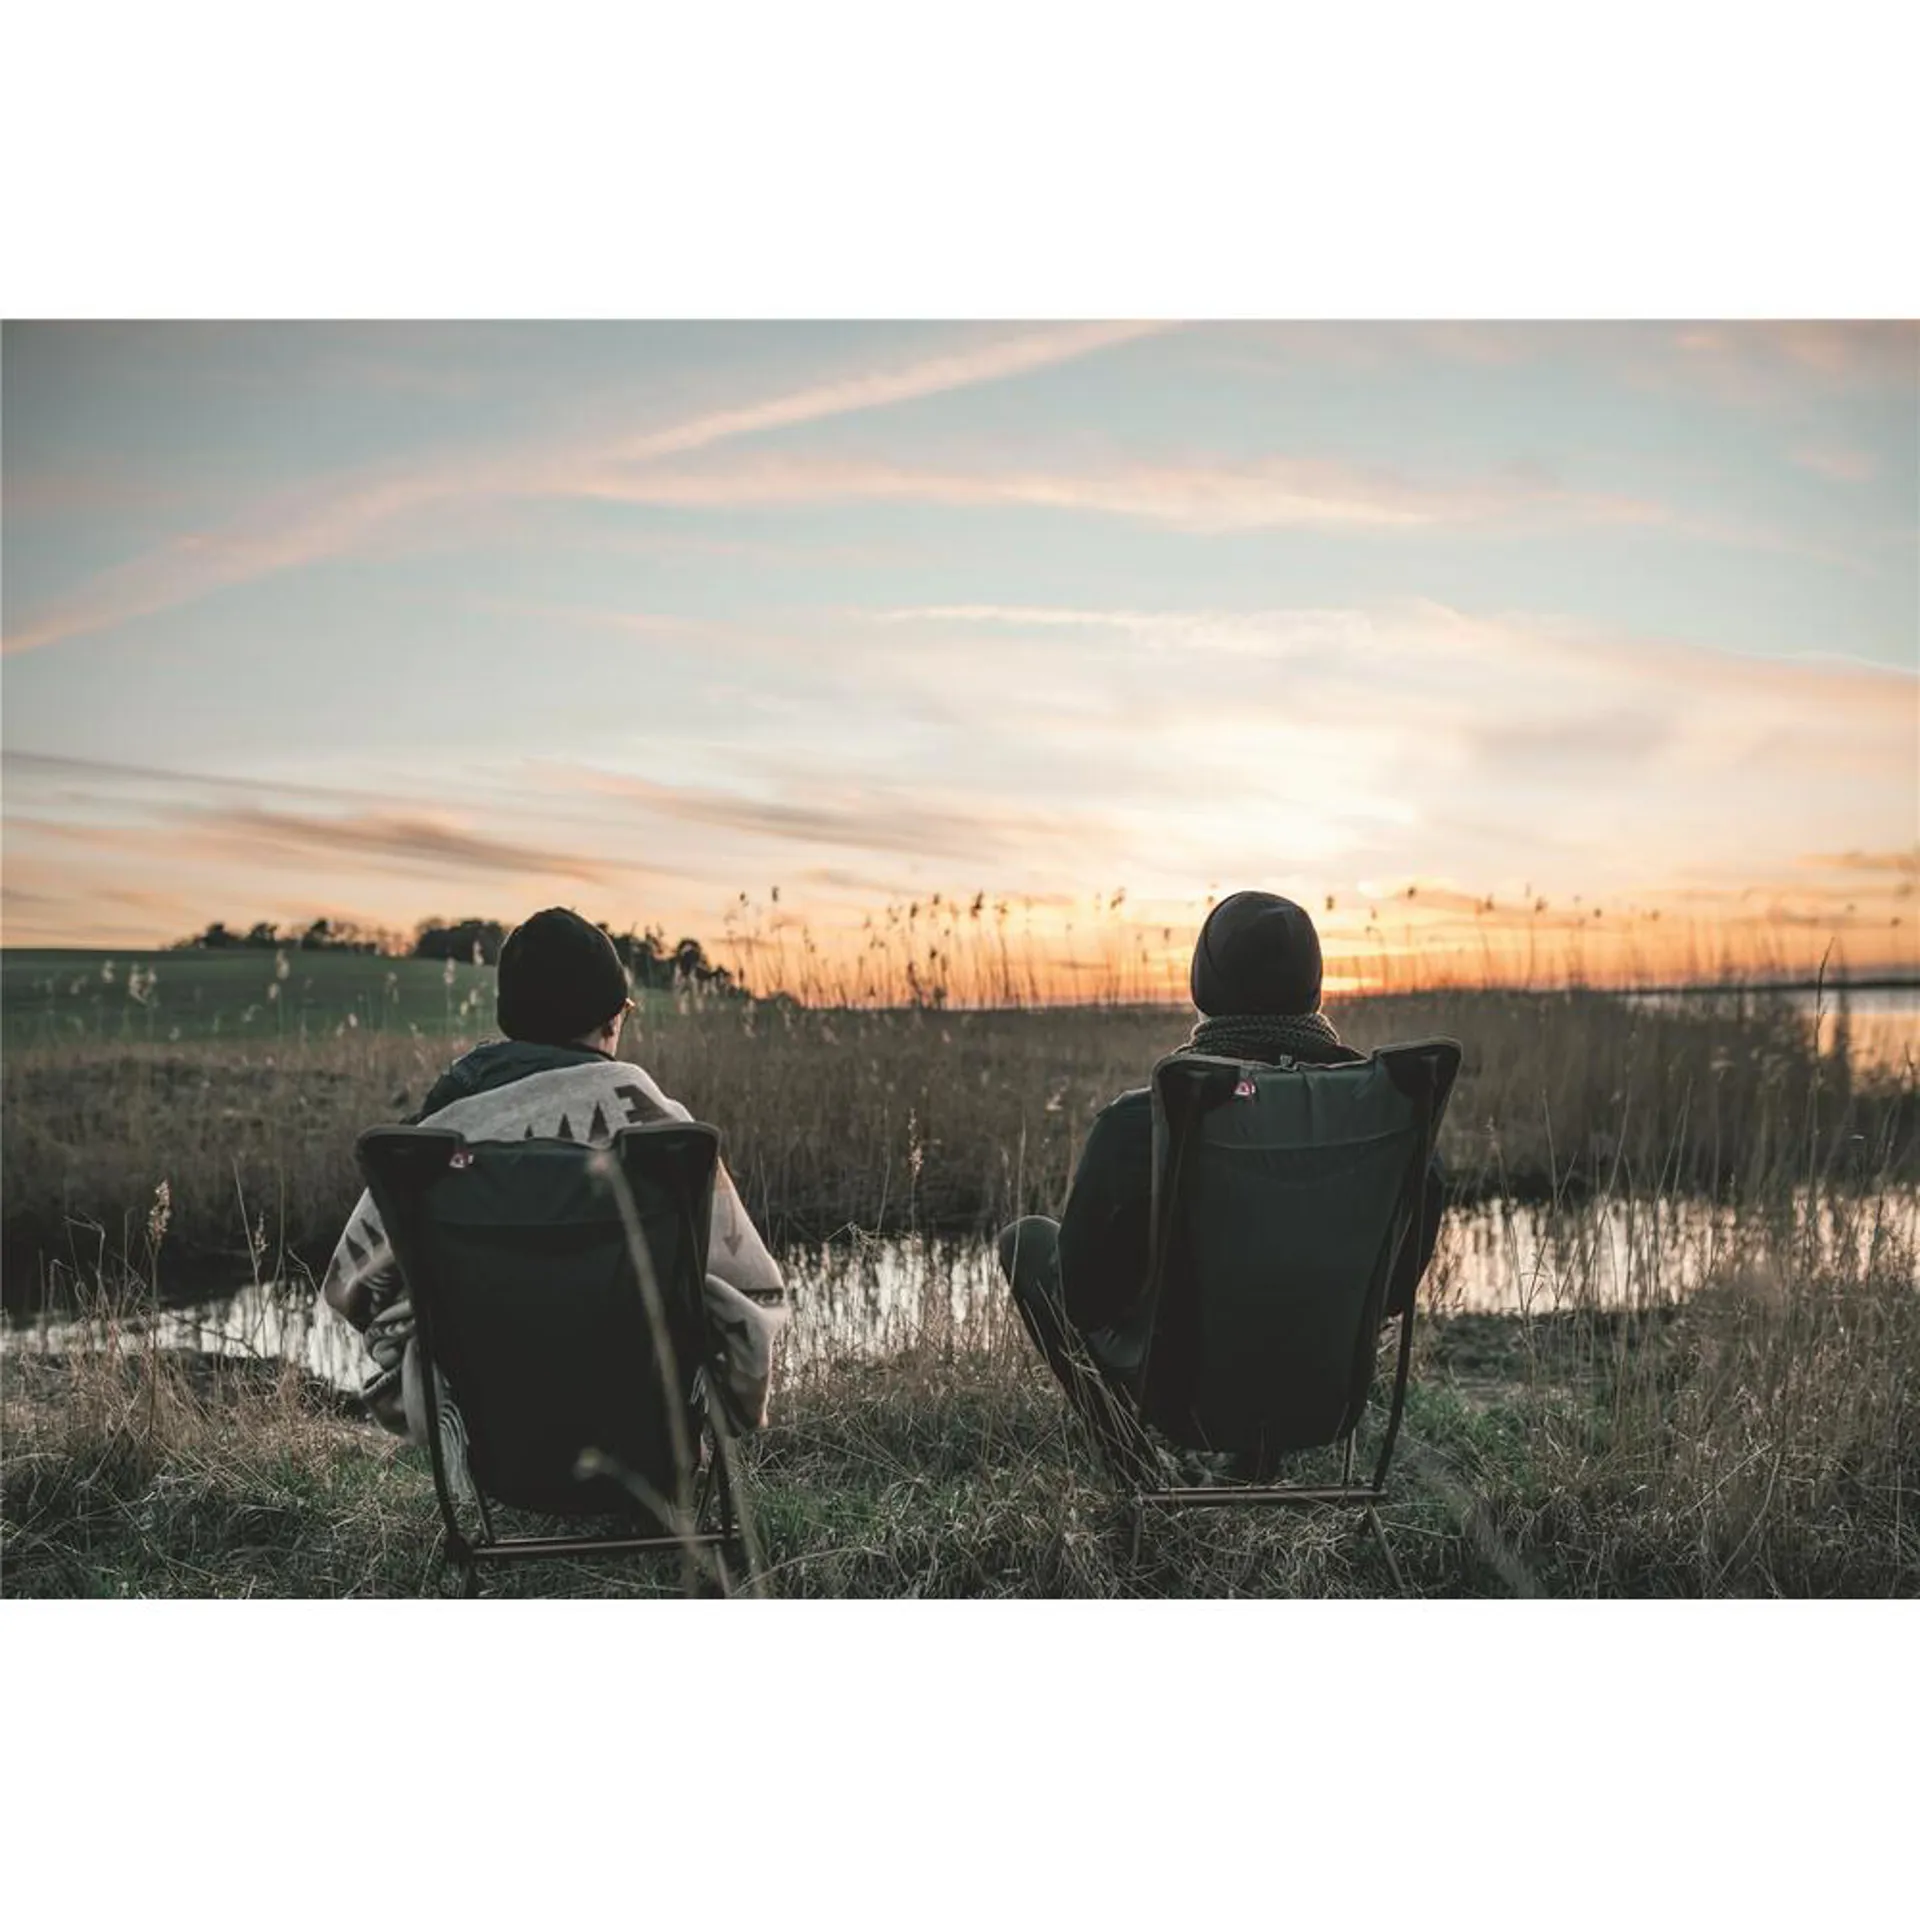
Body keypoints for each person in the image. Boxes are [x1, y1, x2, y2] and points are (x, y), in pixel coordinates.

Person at [997, 889, 1443, 1462]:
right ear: (1314, 988)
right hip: (1326, 1398)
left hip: (1183, 1402)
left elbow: (1082, 1301)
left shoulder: (1145, 1122)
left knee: (1026, 1242)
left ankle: (1135, 1465)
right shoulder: (1394, 1116)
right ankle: (1256, 1463)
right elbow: (1396, 1291)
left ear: (1202, 984)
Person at [322, 906, 787, 1444]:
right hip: (649, 1430)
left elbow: (351, 1288)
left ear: (510, 1022)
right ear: (611, 1021)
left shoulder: (435, 1142)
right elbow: (752, 1291)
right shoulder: (665, 1134)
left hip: (488, 1436)